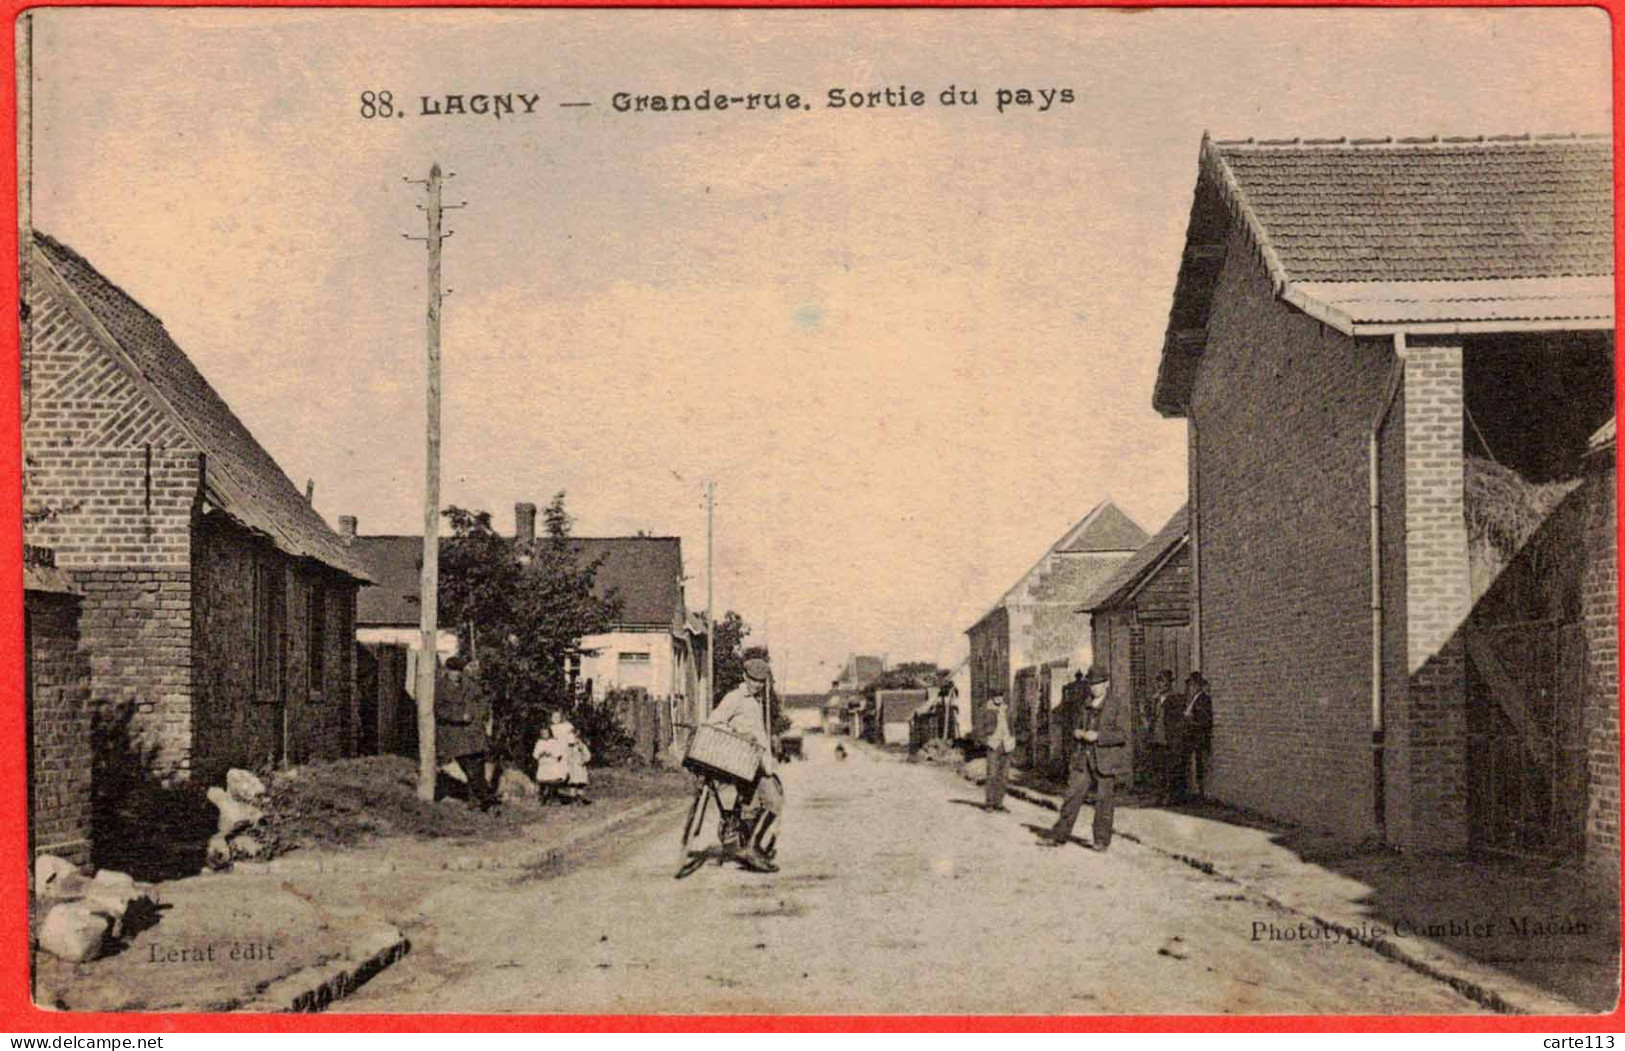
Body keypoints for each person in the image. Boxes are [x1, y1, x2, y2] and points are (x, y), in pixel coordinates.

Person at [1036, 665, 1129, 851]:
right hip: (1082, 758)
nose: (1093, 688)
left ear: (1106, 684)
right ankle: (1059, 835)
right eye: (1091, 684)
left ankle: (1101, 840)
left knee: (1104, 801)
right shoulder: (1085, 703)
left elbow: (1122, 734)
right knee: (1071, 796)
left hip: (1105, 760)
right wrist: (1077, 732)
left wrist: (1099, 736)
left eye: (1097, 684)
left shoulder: (1117, 705)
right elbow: (1075, 726)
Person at [705, 657, 781, 872]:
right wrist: (739, 734)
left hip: (756, 763)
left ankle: (750, 851)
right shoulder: (736, 697)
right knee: (774, 803)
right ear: (744, 677)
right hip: (743, 762)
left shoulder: (755, 701)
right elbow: (714, 723)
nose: (757, 684)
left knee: (751, 808)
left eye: (761, 681)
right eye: (753, 679)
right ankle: (751, 848)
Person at [435, 654, 498, 811]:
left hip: (474, 732)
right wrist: (459, 716)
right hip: (455, 735)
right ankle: (486, 798)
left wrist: (479, 716)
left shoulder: (469, 685)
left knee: (477, 766)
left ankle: (475, 803)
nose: (456, 674)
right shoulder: (440, 688)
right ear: (447, 671)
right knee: (469, 768)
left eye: (459, 671)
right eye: (453, 671)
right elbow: (439, 711)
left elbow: (482, 702)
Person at [1144, 670, 1185, 804]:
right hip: (1156, 739)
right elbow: (1150, 717)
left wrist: (1175, 739)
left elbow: (1177, 721)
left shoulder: (1175, 699)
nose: (1160, 684)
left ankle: (1170, 796)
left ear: (1169, 683)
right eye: (1158, 681)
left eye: (1163, 681)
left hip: (1168, 739)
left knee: (1170, 769)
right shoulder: (1155, 699)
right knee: (1158, 768)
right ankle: (1159, 795)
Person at [980, 694, 1016, 812]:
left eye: (1000, 696)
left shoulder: (1007, 710)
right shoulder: (986, 710)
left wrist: (1013, 739)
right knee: (992, 774)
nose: (998, 698)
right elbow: (979, 727)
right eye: (995, 696)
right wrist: (986, 740)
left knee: (1004, 776)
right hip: (994, 745)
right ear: (992, 697)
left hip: (1007, 744)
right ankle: (989, 803)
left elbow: (1012, 726)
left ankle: (999, 803)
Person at [1182, 671, 1214, 801]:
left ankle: (1200, 794)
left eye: (1192, 684)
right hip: (1192, 737)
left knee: (1200, 765)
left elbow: (1204, 721)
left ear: (1198, 685)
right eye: (1190, 684)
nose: (1190, 687)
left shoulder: (1203, 699)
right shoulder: (1193, 699)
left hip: (1198, 737)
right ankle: (1195, 792)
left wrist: (1190, 719)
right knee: (1195, 765)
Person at [551, 708, 593, 805]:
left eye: (558, 716)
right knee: (560, 775)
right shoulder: (552, 728)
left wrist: (584, 759)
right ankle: (559, 796)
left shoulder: (568, 728)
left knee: (578, 782)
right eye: (554, 717)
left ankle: (579, 798)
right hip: (560, 753)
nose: (555, 719)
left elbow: (585, 752)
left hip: (575, 762)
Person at [532, 722, 569, 805]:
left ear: (549, 733)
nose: (544, 735)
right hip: (543, 765)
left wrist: (551, 753)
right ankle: (543, 798)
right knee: (543, 782)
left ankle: (552, 798)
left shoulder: (553, 742)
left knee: (552, 782)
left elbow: (559, 753)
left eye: (546, 733)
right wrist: (541, 753)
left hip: (552, 764)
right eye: (542, 733)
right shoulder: (539, 742)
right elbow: (535, 754)